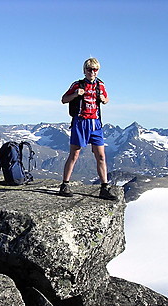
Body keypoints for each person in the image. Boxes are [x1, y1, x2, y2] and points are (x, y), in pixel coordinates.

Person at [59, 57, 116, 200]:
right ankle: (65, 185)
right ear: (84, 70)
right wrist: (75, 94)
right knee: (74, 154)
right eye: (89, 69)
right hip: (81, 122)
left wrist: (104, 100)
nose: (92, 72)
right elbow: (64, 99)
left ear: (98, 71)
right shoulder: (77, 84)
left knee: (101, 156)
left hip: (95, 123)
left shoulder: (100, 85)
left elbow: (107, 99)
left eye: (95, 69)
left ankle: (104, 187)